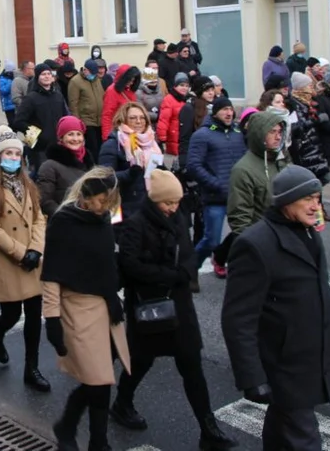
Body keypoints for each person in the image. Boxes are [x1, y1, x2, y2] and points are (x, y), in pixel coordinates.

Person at [222, 165, 330, 450]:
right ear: (286, 201)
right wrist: (251, 376)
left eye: (318, 199)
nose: (315, 206)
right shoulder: (255, 244)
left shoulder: (309, 235)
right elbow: (238, 319)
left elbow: (322, 299)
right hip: (284, 364)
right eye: (308, 199)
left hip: (308, 358)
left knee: (283, 429)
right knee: (304, 439)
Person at [111, 169, 239, 450]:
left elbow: (189, 251)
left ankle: (208, 427)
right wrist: (169, 275)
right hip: (148, 303)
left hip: (179, 304)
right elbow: (130, 266)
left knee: (191, 363)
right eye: (168, 203)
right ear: (156, 200)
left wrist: (187, 270)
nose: (173, 208)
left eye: (176, 202)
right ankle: (122, 402)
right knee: (141, 360)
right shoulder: (136, 224)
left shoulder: (178, 218)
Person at [42, 168, 130, 451]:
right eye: (102, 200)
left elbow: (105, 263)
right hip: (76, 308)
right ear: (86, 196)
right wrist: (52, 319)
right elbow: (52, 273)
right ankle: (97, 442)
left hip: (107, 306)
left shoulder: (102, 219)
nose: (106, 207)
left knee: (99, 379)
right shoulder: (63, 223)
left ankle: (67, 426)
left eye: (110, 201)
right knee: (98, 381)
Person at [0, 126, 50, 392]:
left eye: (16, 154)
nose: (13, 158)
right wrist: (22, 253)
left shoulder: (27, 183)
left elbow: (39, 219)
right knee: (10, 314)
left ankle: (32, 367)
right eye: (7, 153)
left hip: (32, 259)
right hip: (9, 258)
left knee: (33, 314)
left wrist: (36, 250)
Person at [186, 96, 241, 268]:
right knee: (211, 240)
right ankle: (190, 270)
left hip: (238, 195)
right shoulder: (202, 135)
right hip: (215, 197)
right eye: (224, 109)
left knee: (244, 233)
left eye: (230, 109)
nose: (229, 113)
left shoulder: (238, 133)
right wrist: (215, 183)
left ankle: (221, 259)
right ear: (215, 112)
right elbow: (193, 166)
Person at [225, 112, 288, 255]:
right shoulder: (243, 170)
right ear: (259, 134)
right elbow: (240, 216)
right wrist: (251, 248)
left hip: (286, 237)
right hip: (263, 241)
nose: (278, 137)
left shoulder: (281, 160)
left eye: (280, 132)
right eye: (272, 132)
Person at [99, 102, 162, 222]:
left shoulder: (152, 144)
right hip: (123, 208)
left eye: (142, 117)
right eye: (133, 118)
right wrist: (130, 173)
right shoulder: (113, 144)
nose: (139, 121)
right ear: (122, 120)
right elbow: (104, 178)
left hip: (149, 206)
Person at [13, 63, 68, 169]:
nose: (47, 76)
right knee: (42, 177)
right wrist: (37, 135)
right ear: (37, 77)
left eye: (49, 74)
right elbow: (19, 122)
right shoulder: (31, 98)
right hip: (40, 148)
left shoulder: (58, 96)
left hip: (58, 146)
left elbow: (65, 117)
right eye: (43, 74)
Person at [37, 116, 94, 217]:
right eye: (70, 134)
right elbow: (45, 201)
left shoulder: (89, 164)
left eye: (79, 134)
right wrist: (66, 217)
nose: (75, 139)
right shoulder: (49, 166)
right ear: (61, 138)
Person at [288, 72, 330, 186]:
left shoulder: (309, 103)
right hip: (305, 151)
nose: (312, 88)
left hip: (314, 148)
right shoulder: (295, 105)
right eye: (309, 86)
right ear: (301, 88)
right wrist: (315, 121)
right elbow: (295, 128)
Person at [68, 59, 105, 159]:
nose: (93, 75)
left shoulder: (96, 79)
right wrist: (78, 124)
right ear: (85, 70)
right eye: (91, 72)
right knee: (92, 149)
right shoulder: (75, 81)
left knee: (100, 148)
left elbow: (101, 96)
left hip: (99, 121)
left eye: (94, 73)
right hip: (86, 121)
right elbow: (73, 104)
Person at [156, 72, 189, 170]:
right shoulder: (169, 99)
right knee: (171, 166)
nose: (184, 88)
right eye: (181, 85)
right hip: (172, 138)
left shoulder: (186, 99)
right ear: (175, 86)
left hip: (182, 138)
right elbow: (164, 120)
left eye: (187, 86)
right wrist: (162, 137)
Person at [100, 65, 141, 139]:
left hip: (129, 130)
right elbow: (107, 115)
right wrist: (106, 137)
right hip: (117, 132)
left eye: (133, 80)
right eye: (129, 80)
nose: (131, 83)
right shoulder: (111, 91)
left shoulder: (129, 89)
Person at [0, 62, 18, 127]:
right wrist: (10, 81)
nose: (14, 72)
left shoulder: (14, 77)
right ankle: (11, 135)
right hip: (8, 105)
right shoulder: (2, 79)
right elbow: (4, 91)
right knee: (12, 123)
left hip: (15, 104)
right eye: (12, 70)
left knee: (17, 123)